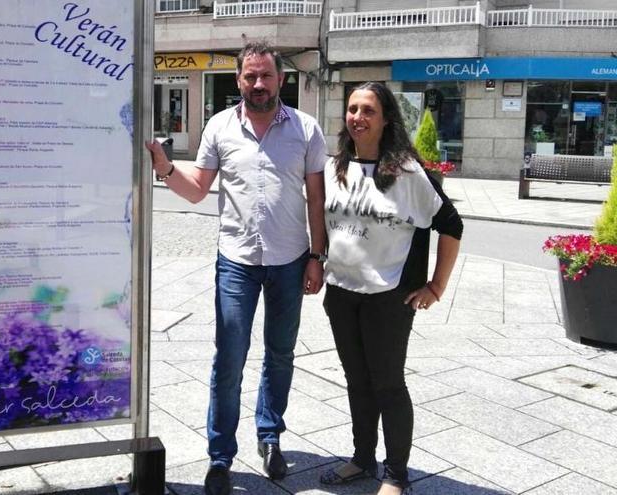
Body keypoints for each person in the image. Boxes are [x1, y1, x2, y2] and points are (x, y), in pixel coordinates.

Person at [145, 41, 327, 495]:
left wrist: (317, 257)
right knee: (228, 360)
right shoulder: (219, 127)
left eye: (266, 75)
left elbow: (317, 199)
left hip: (289, 259)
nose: (259, 84)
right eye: (250, 76)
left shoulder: (305, 129)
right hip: (238, 263)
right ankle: (220, 457)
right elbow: (196, 190)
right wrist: (166, 167)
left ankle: (270, 437)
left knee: (280, 355)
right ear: (239, 80)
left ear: (280, 80)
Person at [318, 82, 462, 495]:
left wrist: (436, 286)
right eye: (352, 109)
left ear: (385, 120)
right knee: (355, 380)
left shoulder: (408, 173)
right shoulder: (336, 167)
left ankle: (397, 473)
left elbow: (451, 226)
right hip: (342, 293)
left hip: (388, 296)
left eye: (368, 110)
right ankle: (362, 458)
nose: (357, 117)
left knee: (388, 383)